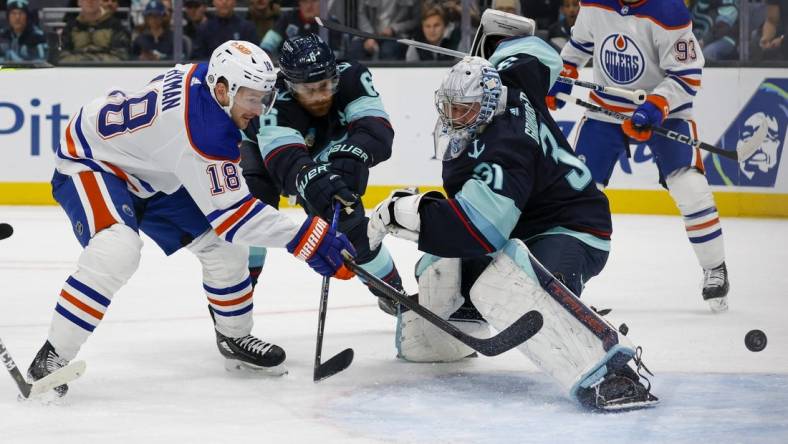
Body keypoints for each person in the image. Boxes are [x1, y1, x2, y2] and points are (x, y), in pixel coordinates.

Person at [27, 40, 356, 397]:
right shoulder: (205, 129)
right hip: (93, 161)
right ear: (222, 90)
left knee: (224, 249)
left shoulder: (209, 83)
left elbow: (225, 217)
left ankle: (233, 337)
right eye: (251, 98)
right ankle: (51, 357)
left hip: (149, 170)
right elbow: (235, 216)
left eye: (264, 97)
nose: (259, 109)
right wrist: (309, 239)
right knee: (117, 248)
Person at [367, 11, 657, 411]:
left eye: (465, 110)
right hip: (524, 221)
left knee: (512, 285)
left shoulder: (504, 148)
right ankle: (458, 321)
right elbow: (538, 53)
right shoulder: (511, 82)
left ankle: (612, 371)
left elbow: (479, 230)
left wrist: (404, 213)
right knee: (440, 263)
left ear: (487, 108)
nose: (454, 118)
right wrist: (494, 40)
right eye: (451, 107)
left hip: (571, 228)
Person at [547, 0, 729, 313]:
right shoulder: (594, 3)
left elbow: (687, 75)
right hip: (606, 110)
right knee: (577, 192)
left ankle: (715, 268)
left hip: (665, 111)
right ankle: (565, 273)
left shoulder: (669, 11)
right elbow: (578, 46)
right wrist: (562, 76)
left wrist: (656, 106)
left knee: (690, 188)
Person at [240, 33, 405, 315]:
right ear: (290, 86)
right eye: (308, 90)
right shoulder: (273, 99)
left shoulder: (352, 76)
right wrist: (312, 177)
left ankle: (396, 295)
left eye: (325, 86)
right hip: (261, 155)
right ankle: (236, 308)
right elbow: (286, 159)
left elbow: (377, 132)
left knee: (353, 226)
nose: (319, 97)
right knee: (253, 222)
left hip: (324, 154)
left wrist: (352, 154)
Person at [58, 0, 131, 62]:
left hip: (107, 72)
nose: (90, 1)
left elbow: (121, 56)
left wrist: (86, 59)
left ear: (100, 1)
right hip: (76, 73)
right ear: (79, 2)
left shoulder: (115, 26)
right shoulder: (71, 27)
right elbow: (62, 56)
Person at [191, 0, 257, 59]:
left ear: (235, 2)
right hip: (211, 69)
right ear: (214, 2)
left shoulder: (247, 27)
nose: (224, 2)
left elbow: (254, 56)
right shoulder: (204, 29)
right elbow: (197, 58)